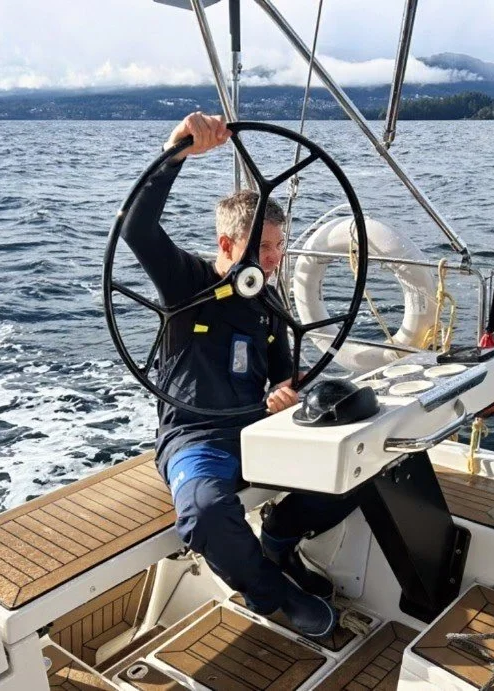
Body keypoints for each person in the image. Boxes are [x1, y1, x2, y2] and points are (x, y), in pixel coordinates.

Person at [120, 112, 360, 638]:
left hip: (257, 431)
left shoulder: (269, 303)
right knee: (205, 513)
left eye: (278, 246)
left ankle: (279, 537)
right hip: (196, 438)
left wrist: (286, 392)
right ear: (227, 247)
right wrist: (175, 151)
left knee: (363, 461)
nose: (273, 260)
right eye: (262, 248)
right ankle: (272, 594)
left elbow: (285, 375)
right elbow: (136, 229)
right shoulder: (186, 283)